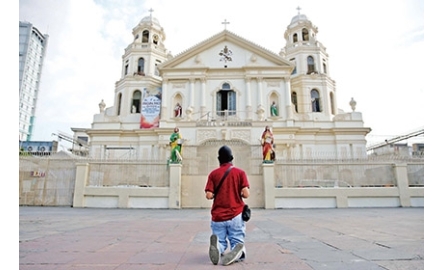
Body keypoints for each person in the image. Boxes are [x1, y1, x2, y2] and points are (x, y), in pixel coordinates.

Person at [205, 145, 250, 266]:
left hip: (218, 215)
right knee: (237, 239)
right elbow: (246, 194)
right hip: (235, 214)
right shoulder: (240, 173)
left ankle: (218, 247)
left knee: (219, 239)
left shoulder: (213, 174)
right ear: (232, 158)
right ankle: (237, 252)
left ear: (219, 159)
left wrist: (216, 194)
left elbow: (209, 195)